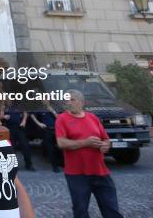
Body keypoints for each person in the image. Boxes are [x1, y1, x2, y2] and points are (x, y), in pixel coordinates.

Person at [56, 90, 123, 218]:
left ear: (82, 102)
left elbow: (106, 139)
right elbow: (61, 143)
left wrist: (105, 145)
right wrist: (86, 142)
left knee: (112, 210)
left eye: (72, 99)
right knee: (81, 211)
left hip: (100, 171)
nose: (68, 102)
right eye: (66, 100)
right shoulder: (62, 118)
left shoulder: (93, 117)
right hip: (77, 174)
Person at [30, 101, 60, 172]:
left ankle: (61, 163)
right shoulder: (40, 108)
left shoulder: (55, 106)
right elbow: (32, 115)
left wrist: (52, 110)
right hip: (47, 130)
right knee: (50, 148)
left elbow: (59, 118)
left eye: (46, 99)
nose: (44, 101)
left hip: (57, 129)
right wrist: (39, 123)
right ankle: (54, 166)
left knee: (60, 146)